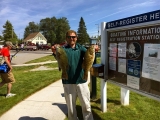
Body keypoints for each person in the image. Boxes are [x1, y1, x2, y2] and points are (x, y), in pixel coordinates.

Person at [52, 30, 94, 120]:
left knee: (86, 105)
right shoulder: (62, 49)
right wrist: (54, 52)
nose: (72, 39)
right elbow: (59, 59)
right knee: (71, 108)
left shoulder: (80, 48)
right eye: (69, 37)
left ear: (76, 38)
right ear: (66, 38)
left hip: (81, 80)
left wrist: (94, 49)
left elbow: (88, 54)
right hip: (68, 81)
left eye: (73, 37)